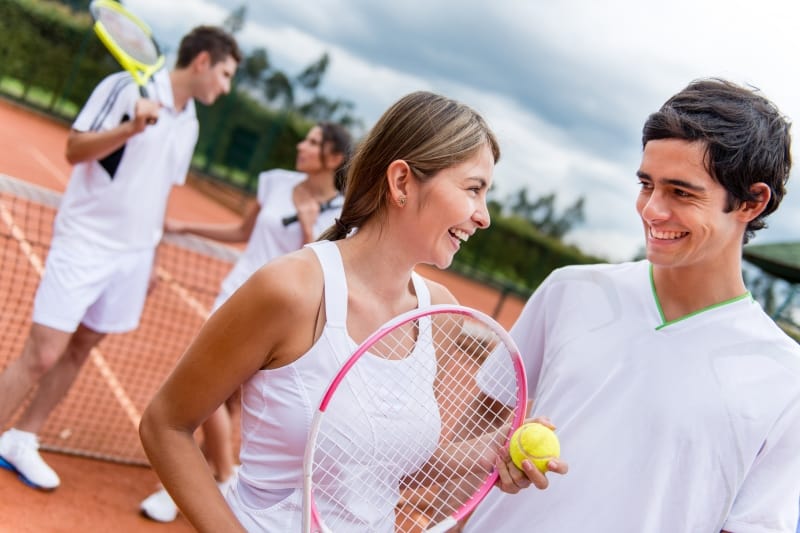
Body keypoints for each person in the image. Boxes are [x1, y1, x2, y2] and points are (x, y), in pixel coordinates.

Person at [139, 90, 569, 531]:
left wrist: (483, 453)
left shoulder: (438, 312)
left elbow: (373, 462)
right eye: (473, 189)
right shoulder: (291, 289)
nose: (484, 217)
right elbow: (165, 425)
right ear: (402, 182)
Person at [464, 78, 800, 532]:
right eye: (647, 184)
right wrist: (486, 461)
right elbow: (472, 436)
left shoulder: (786, 379)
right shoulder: (570, 290)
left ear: (751, 202)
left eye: (681, 192)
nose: (652, 210)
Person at [0, 26, 241, 491]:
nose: (225, 88)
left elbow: (160, 194)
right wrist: (131, 125)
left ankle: (22, 439)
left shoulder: (189, 122)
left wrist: (151, 257)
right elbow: (75, 150)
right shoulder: (125, 87)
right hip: (85, 240)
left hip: (133, 256)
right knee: (42, 353)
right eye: (226, 74)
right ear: (203, 61)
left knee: (82, 345)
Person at [139, 120, 354, 522]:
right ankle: (224, 476)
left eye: (312, 141)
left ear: (334, 158)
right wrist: (186, 226)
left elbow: (329, 267)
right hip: (238, 295)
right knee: (212, 390)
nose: (301, 145)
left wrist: (310, 224)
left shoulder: (344, 212)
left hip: (288, 314)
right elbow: (242, 229)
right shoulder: (274, 182)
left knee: (238, 400)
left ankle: (184, 489)